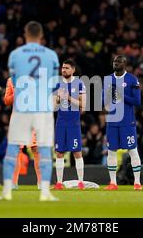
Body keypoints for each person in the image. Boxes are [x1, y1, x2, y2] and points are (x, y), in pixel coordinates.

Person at [0, 21, 59, 201]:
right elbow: (54, 84)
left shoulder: (15, 55)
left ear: (25, 35)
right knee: (43, 150)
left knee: (13, 149)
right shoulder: (51, 55)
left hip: (22, 110)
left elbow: (16, 80)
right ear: (41, 36)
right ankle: (45, 192)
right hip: (42, 108)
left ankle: (8, 191)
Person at [103, 55, 142, 191]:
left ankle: (137, 182)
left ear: (125, 64)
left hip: (127, 121)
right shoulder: (108, 79)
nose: (116, 63)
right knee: (111, 151)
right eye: (114, 61)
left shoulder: (132, 79)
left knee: (132, 150)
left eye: (119, 61)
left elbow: (137, 101)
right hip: (112, 121)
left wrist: (121, 94)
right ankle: (113, 183)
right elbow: (103, 101)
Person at [53, 59, 86, 190]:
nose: (64, 70)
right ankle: (59, 183)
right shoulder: (57, 84)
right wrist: (58, 98)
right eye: (63, 68)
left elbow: (83, 105)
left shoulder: (79, 84)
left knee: (77, 152)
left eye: (66, 68)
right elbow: (53, 106)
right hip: (61, 122)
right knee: (59, 153)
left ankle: (81, 182)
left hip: (73, 123)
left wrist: (68, 98)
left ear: (73, 70)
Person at [3, 77, 41, 189]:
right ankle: (14, 183)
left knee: (36, 150)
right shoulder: (11, 80)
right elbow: (6, 100)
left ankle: (40, 183)